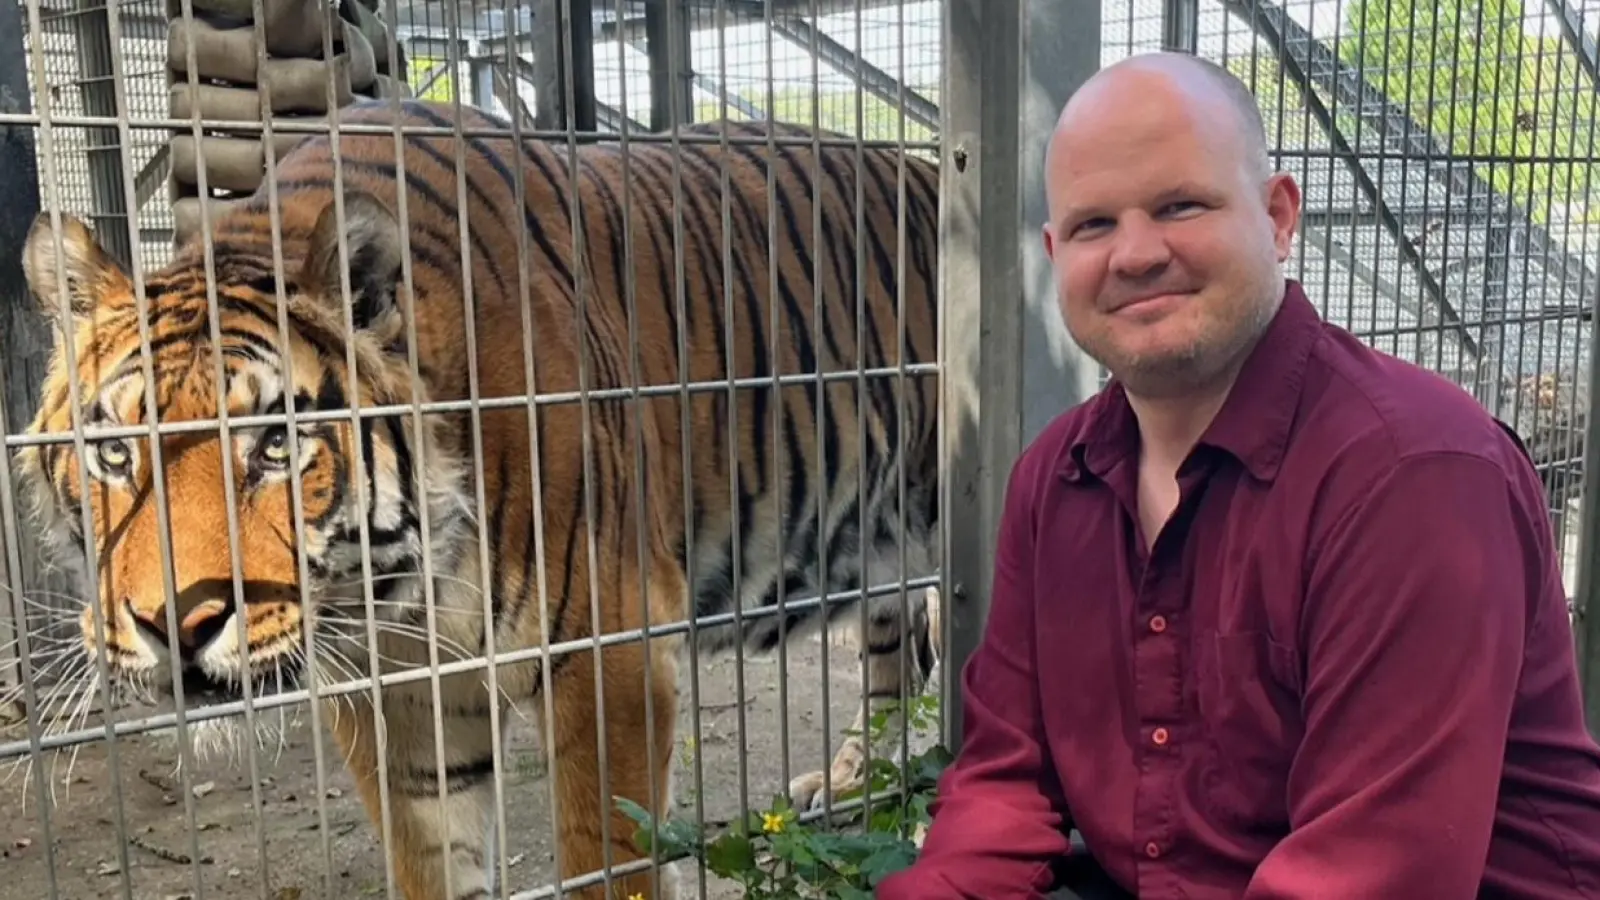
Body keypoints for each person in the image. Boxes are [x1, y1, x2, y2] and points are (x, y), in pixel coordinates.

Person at [876, 51, 1600, 899]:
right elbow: (1004, 781)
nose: (1136, 254)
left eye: (1180, 205)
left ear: (1278, 215)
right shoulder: (1058, 480)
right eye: (1093, 225)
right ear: (1052, 252)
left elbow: (1373, 875)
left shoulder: (1414, 478)